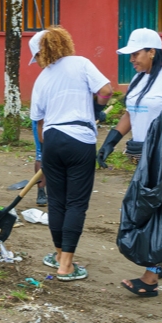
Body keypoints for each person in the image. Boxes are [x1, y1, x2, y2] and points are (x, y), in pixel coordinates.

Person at [97, 27, 162, 296]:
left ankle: (150, 278)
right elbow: (131, 114)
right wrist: (110, 142)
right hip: (143, 157)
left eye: (136, 54)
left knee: (154, 212)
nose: (131, 59)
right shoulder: (139, 79)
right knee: (151, 207)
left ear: (152, 51)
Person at [30, 28, 112, 281]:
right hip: (80, 139)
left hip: (53, 140)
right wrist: (97, 107)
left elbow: (39, 124)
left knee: (57, 202)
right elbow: (106, 90)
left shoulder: (42, 79)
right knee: (76, 203)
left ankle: (58, 254)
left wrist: (47, 152)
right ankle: (66, 265)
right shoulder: (81, 63)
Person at [28, 32, 47, 207]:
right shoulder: (42, 80)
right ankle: (41, 191)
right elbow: (39, 119)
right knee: (42, 154)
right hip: (42, 121)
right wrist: (43, 141)